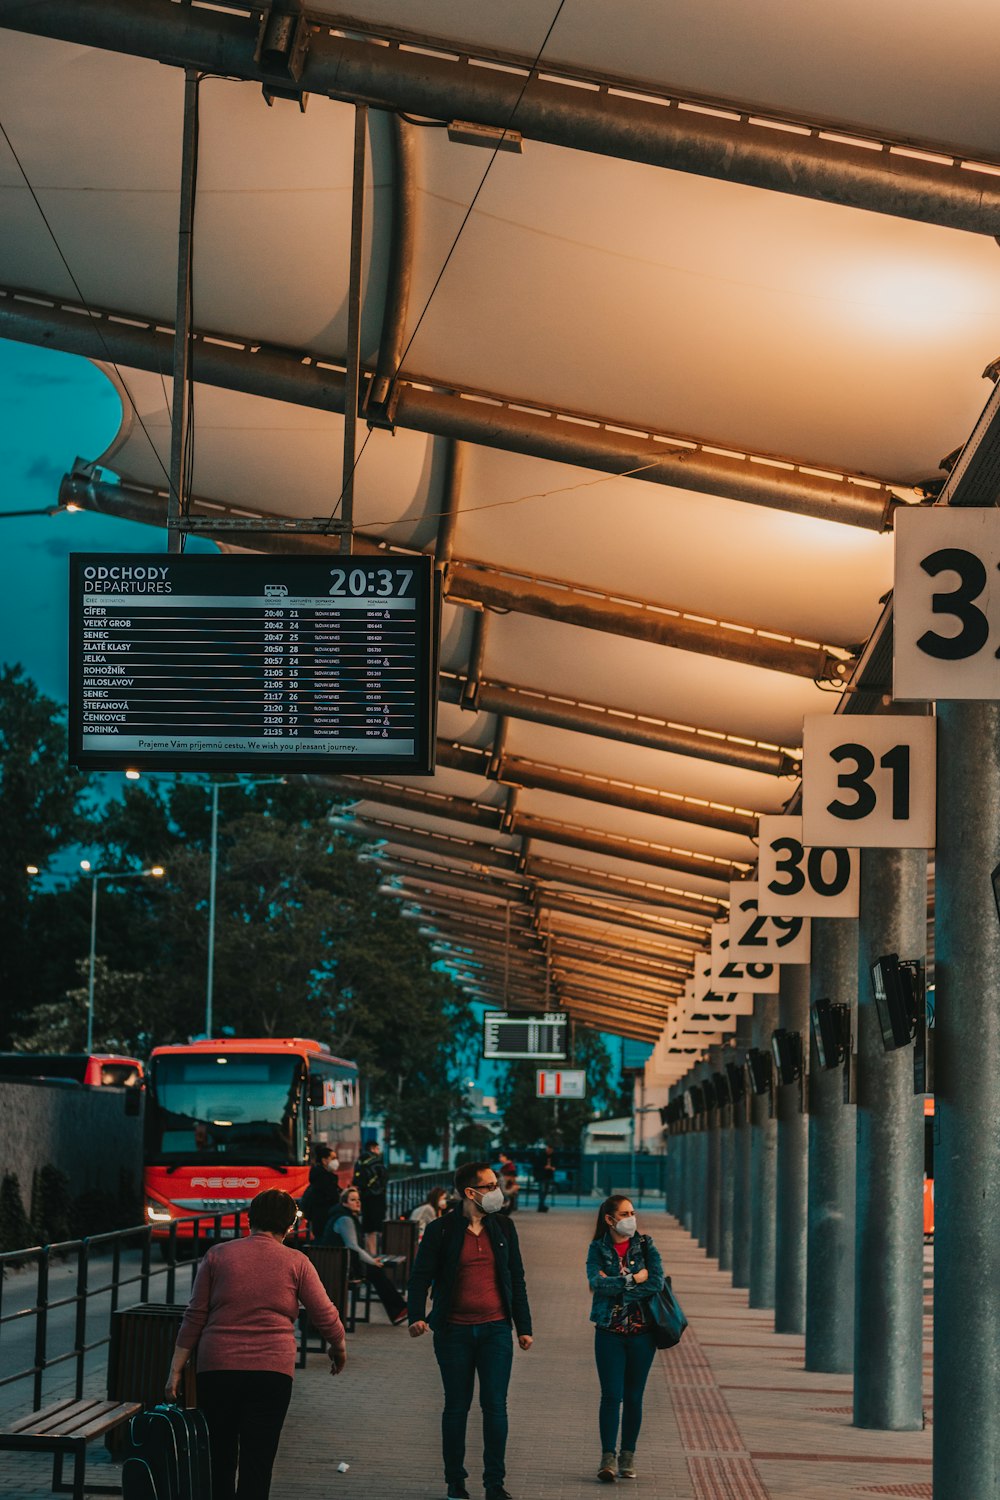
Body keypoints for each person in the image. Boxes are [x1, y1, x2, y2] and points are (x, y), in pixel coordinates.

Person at [164, 1188, 347, 1500]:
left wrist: (175, 1371)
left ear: (249, 1220)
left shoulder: (217, 1256)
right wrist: (338, 1347)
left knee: (219, 1456)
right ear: (290, 1226)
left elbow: (194, 1315)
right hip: (271, 1373)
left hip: (217, 1369)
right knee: (258, 1461)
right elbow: (324, 1311)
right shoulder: (296, 1262)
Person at [408, 1160, 533, 1500]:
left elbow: (516, 1278)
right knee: (456, 1407)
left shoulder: (504, 1228)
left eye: (497, 1185)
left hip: (495, 1330)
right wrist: (417, 1315)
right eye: (491, 1186)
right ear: (470, 1192)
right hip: (453, 1333)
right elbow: (420, 1277)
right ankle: (455, 1482)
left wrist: (524, 1326)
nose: (498, 1191)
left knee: (495, 1406)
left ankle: (495, 1484)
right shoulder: (442, 1230)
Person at [586, 1195, 664, 1483]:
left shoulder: (646, 1245)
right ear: (610, 1219)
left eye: (633, 1212)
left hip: (643, 1334)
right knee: (611, 1396)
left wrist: (617, 1288)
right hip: (609, 1333)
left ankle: (627, 1456)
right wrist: (632, 1280)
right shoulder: (597, 1248)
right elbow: (595, 1283)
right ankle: (608, 1456)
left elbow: (656, 1281)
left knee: (633, 1397)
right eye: (626, 1213)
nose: (632, 1217)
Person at [321, 1184, 408, 1324]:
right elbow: (353, 1246)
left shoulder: (346, 1216)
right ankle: (399, 1309)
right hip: (340, 1266)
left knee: (376, 1272)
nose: (357, 1202)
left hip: (341, 1262)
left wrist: (371, 1259)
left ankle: (399, 1310)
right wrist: (372, 1261)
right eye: (353, 1200)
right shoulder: (345, 1219)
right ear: (344, 1203)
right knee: (376, 1272)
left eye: (358, 1199)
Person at [353, 1138, 388, 1254]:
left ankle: (369, 1253)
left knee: (368, 1229)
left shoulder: (360, 1161)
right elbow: (384, 1178)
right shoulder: (377, 1162)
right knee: (377, 1228)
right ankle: (377, 1254)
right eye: (377, 1148)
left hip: (365, 1198)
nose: (379, 1151)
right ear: (373, 1148)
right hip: (377, 1198)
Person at [300, 1142, 341, 1240]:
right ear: (324, 1161)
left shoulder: (320, 1175)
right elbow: (332, 1195)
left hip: (321, 1217)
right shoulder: (322, 1178)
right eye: (333, 1158)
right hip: (322, 1217)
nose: (336, 1161)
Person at [536, 1144, 556, 1212]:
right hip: (542, 1176)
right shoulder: (542, 1156)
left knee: (546, 1190)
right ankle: (541, 1205)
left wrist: (553, 1167)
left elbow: (556, 1164)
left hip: (549, 1175)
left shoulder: (553, 1157)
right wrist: (544, 1167)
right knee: (542, 1190)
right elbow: (537, 1165)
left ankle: (542, 1205)